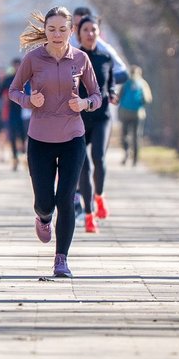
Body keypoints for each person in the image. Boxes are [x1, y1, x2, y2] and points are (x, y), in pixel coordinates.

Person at [9, 6, 102, 278]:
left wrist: (85, 103)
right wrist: (29, 101)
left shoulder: (81, 59)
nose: (57, 34)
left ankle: (61, 259)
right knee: (45, 201)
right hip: (40, 138)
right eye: (52, 29)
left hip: (73, 135)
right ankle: (42, 217)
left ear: (71, 31)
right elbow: (14, 90)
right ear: (45, 32)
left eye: (63, 29)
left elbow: (97, 95)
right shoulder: (33, 59)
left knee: (66, 198)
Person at [75, 16, 118, 234]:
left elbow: (109, 84)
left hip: (101, 117)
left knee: (99, 158)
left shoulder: (106, 58)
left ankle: (99, 196)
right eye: (86, 30)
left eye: (94, 29)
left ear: (98, 33)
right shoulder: (74, 58)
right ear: (79, 33)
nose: (90, 33)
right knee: (84, 166)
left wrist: (112, 94)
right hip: (80, 118)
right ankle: (89, 214)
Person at [119, 65, 153, 166]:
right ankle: (135, 159)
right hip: (138, 113)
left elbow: (119, 97)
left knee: (125, 135)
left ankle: (126, 153)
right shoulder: (142, 83)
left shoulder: (126, 83)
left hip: (125, 112)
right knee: (137, 135)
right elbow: (148, 99)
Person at [0, 57, 28, 171]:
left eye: (19, 66)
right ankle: (15, 159)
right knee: (12, 136)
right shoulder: (8, 79)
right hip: (11, 111)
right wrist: (4, 96)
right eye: (15, 66)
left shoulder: (27, 79)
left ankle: (25, 158)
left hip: (24, 111)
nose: (17, 68)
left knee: (24, 136)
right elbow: (0, 92)